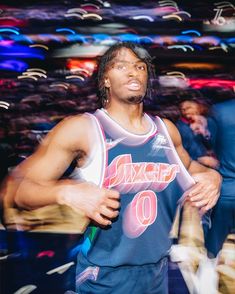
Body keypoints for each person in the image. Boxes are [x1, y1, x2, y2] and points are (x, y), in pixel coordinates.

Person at [0, 42, 221, 293]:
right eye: (121, 66)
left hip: (157, 274)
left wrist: (212, 177)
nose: (132, 72)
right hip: (104, 277)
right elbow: (16, 189)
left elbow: (192, 168)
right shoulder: (82, 129)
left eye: (139, 66)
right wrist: (66, 191)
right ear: (105, 79)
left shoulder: (166, 130)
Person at [205, 98, 235, 257]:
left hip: (227, 190)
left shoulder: (219, 111)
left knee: (214, 245)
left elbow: (214, 144)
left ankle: (207, 275)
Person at [177, 98, 219, 169]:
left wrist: (204, 132)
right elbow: (181, 150)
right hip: (191, 165)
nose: (184, 110)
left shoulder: (208, 121)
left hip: (210, 164)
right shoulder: (180, 125)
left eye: (188, 107)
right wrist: (198, 159)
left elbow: (214, 144)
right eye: (182, 109)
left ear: (199, 107)